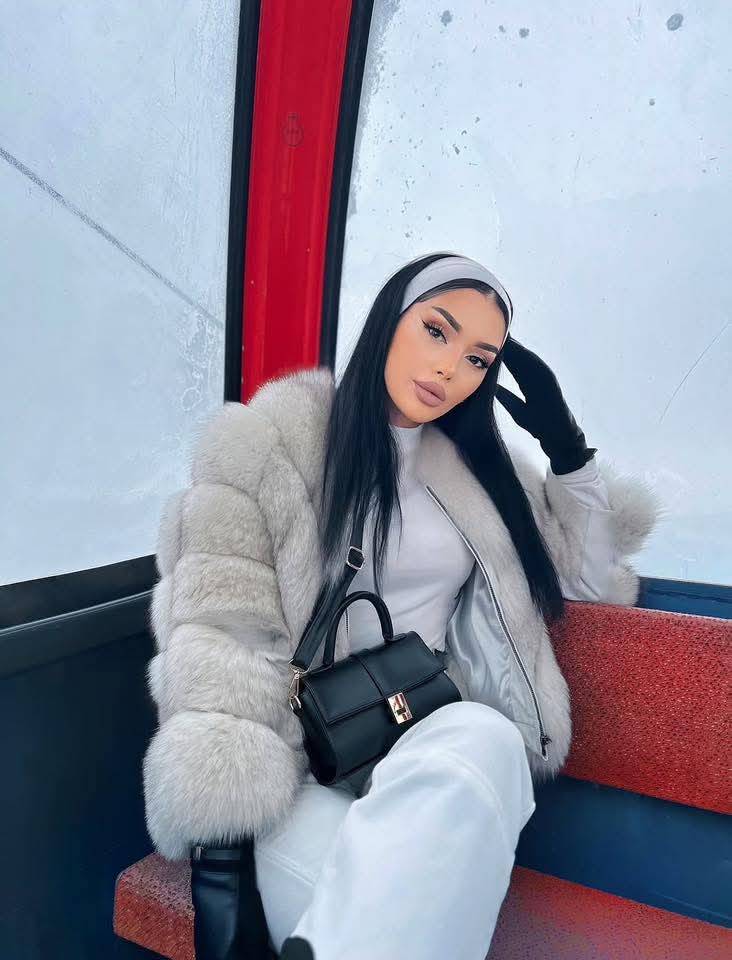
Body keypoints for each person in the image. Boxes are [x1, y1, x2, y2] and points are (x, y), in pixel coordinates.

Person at [141, 252, 661, 959]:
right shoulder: (270, 446)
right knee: (401, 916)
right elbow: (221, 635)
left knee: (488, 736)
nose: (449, 369)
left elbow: (594, 582)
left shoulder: (483, 474)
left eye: (478, 360)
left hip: (429, 746)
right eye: (437, 331)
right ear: (391, 318)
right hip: (306, 775)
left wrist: (567, 449)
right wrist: (222, 860)